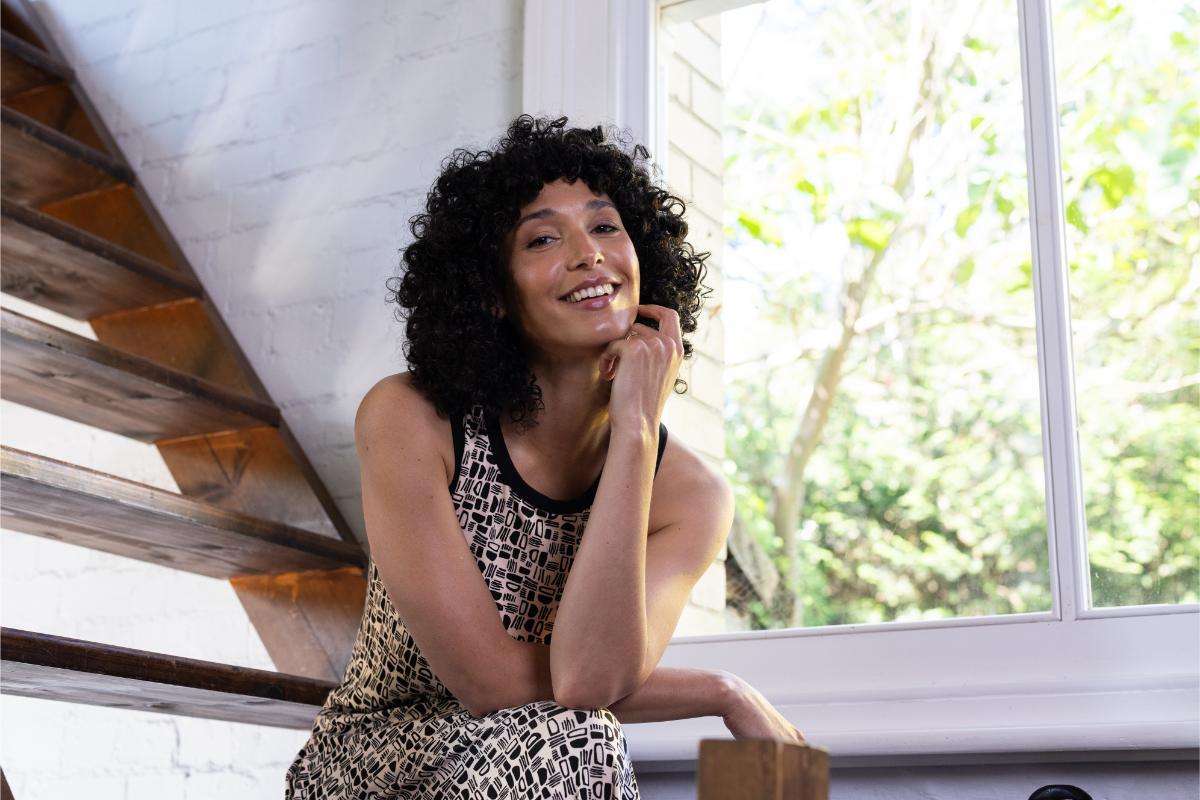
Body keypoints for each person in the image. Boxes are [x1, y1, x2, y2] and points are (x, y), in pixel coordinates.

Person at [284, 115, 804, 800]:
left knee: (575, 733)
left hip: (546, 758)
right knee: (578, 736)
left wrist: (634, 432)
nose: (589, 254)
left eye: (606, 226)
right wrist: (720, 690)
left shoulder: (691, 496)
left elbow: (590, 680)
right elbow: (492, 684)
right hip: (378, 761)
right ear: (494, 295)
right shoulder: (413, 418)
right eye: (542, 238)